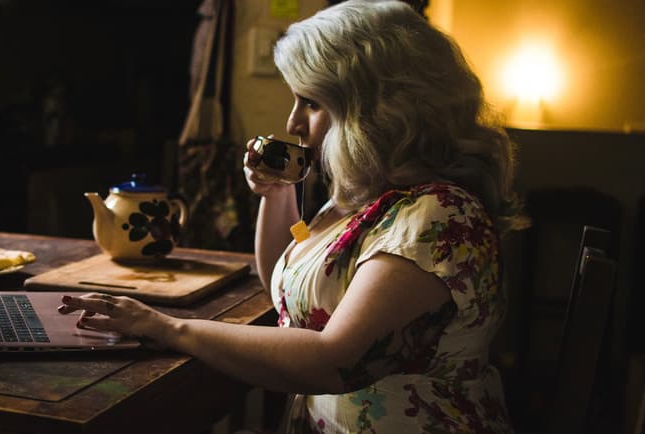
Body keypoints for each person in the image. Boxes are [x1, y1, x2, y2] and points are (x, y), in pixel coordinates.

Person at [57, 1, 517, 432]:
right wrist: (277, 192)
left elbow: (331, 359)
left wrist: (167, 327)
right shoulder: (364, 198)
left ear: (379, 110)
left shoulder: (438, 215)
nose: (293, 123)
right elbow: (284, 280)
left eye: (311, 103)